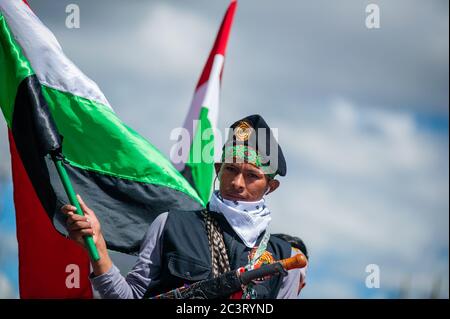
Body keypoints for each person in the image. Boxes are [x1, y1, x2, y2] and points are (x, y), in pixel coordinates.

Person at [62, 114, 306, 299]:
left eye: (252, 175)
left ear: (270, 186)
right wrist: (100, 251)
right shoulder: (170, 224)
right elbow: (131, 295)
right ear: (218, 169)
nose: (237, 183)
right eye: (230, 169)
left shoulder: (286, 258)